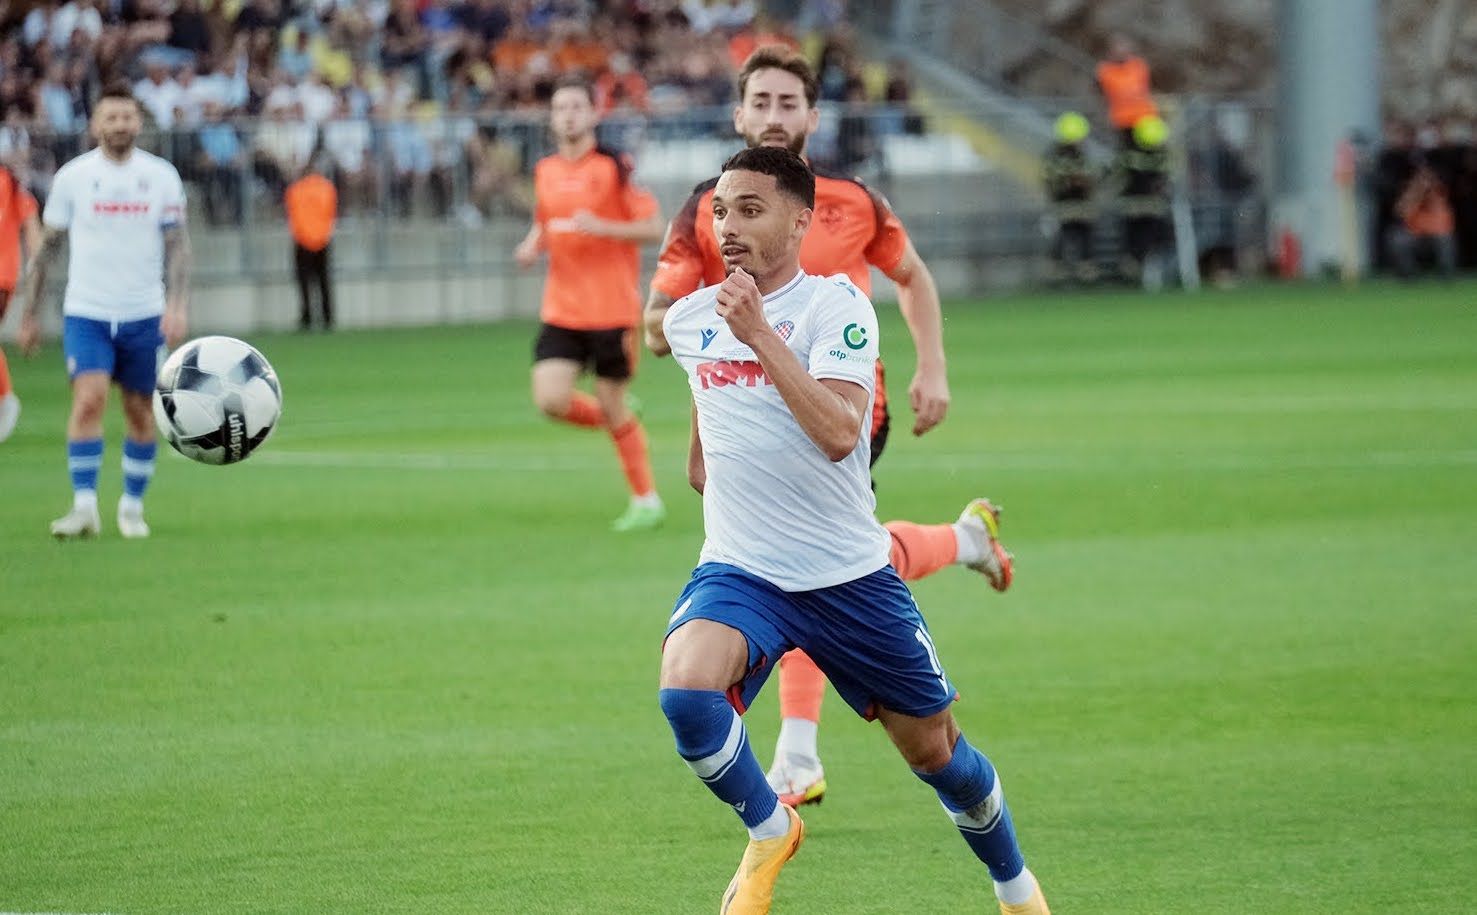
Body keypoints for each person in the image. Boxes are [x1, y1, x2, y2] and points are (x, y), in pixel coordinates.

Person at [658, 146, 1050, 915]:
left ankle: (1013, 885)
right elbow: (704, 427)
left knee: (939, 757)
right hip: (744, 570)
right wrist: (706, 460)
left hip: (848, 577)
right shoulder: (689, 319)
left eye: (749, 208)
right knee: (685, 689)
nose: (728, 226)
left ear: (799, 218)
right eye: (718, 210)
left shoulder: (835, 307)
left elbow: (840, 432)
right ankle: (771, 828)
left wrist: (761, 334)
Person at [643, 45, 1014, 810]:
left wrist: (932, 364)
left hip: (843, 402)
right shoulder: (709, 206)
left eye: (789, 103)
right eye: (761, 103)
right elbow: (664, 322)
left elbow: (911, 276)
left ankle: (797, 752)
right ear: (739, 114)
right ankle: (966, 539)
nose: (774, 117)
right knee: (831, 556)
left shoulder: (854, 202)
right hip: (747, 399)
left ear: (813, 116)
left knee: (819, 558)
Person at [16, 84, 190, 539]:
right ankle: (84, 507)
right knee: (89, 399)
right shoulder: (73, 178)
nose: (119, 125)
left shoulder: (161, 176)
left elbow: (177, 245)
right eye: (110, 117)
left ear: (138, 122)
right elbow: (49, 249)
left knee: (139, 411)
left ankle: (132, 507)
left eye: (127, 117)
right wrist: (29, 313)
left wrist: (176, 304)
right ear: (94, 125)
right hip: (87, 311)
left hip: (144, 314)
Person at [514, 76, 666, 532]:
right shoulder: (545, 170)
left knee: (611, 400)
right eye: (561, 108)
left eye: (577, 107)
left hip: (611, 309)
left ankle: (646, 500)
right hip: (561, 307)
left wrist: (603, 227)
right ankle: (619, 420)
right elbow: (547, 222)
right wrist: (531, 244)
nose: (569, 115)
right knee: (550, 399)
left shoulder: (614, 167)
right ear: (552, 118)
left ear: (594, 114)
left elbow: (654, 228)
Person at [0, 160, 41, 442]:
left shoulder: (10, 182)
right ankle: (5, 398)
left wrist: (37, 269)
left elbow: (31, 229)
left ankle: (5, 400)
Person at [1112, 114, 1172, 290]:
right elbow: (1164, 180)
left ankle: (1135, 274)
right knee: (1148, 239)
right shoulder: (1160, 155)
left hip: (1134, 204)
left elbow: (1118, 177)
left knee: (1136, 240)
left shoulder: (1129, 154)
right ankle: (1142, 274)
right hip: (1149, 205)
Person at [1042, 111, 1097, 284]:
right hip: (1064, 205)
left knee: (1082, 236)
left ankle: (1083, 272)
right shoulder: (1059, 156)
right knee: (1063, 237)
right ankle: (1059, 274)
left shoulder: (1068, 155)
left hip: (1078, 204)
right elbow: (1052, 180)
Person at [285, 158, 337, 331]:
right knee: (324, 280)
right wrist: (322, 234)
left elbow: (294, 216)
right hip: (322, 239)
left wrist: (302, 235)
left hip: (303, 240)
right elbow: (330, 213)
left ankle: (307, 317)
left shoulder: (296, 190)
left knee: (304, 282)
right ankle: (328, 317)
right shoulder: (327, 188)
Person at [1387, 163, 1457, 279]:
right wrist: (1418, 191)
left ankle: (1446, 274)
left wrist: (1430, 191)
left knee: (1446, 239)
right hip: (1415, 236)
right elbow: (1401, 212)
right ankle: (1408, 274)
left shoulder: (1438, 196)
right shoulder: (1413, 196)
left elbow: (1443, 224)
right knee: (1397, 239)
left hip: (1434, 236)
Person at [1096, 33, 1157, 149]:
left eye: (1123, 47)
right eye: (1117, 48)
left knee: (1150, 150)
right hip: (1122, 120)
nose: (1121, 51)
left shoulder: (1139, 66)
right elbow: (1101, 95)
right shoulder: (1105, 71)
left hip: (1144, 118)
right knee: (1127, 152)